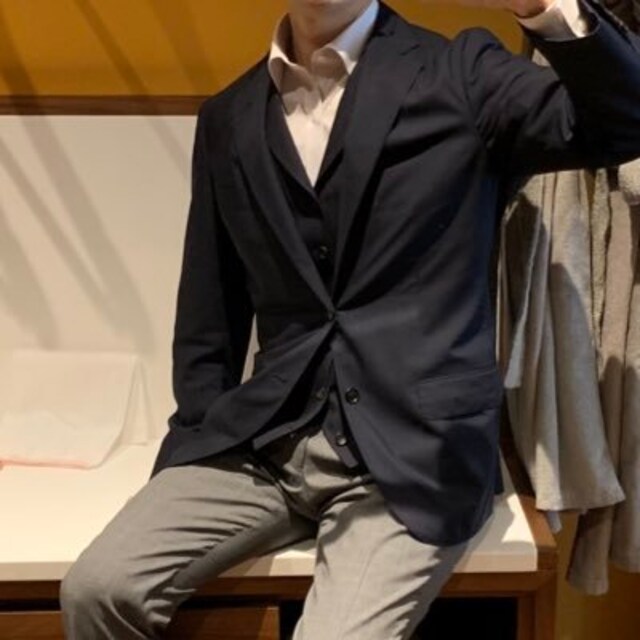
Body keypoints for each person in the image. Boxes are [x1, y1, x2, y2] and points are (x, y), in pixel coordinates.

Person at [59, 0, 640, 638]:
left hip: (413, 457)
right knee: (97, 588)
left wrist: (546, 9)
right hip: (266, 444)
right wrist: (194, 447)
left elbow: (624, 122)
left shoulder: (462, 73)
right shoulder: (228, 116)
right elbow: (210, 310)